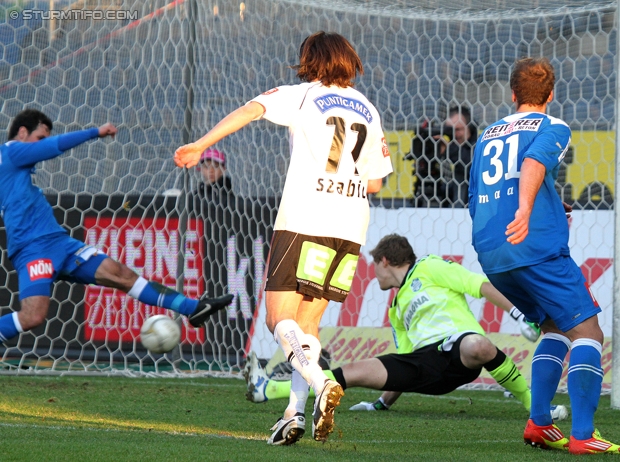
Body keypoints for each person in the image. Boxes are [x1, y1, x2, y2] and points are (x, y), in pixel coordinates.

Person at [174, 31, 393, 445]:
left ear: (311, 60)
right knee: (308, 324)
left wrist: (201, 145)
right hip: (350, 224)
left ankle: (321, 382)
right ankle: (292, 414)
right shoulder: (367, 107)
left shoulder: (303, 94)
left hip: (306, 217)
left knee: (279, 319)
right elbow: (377, 181)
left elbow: (250, 110)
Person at [468, 57, 620, 455]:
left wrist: (546, 207)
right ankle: (583, 434)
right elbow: (532, 163)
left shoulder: (488, 133)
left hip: (491, 250)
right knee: (588, 332)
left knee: (555, 328)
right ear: (552, 94)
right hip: (535, 247)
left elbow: (476, 196)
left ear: (512, 94)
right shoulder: (553, 125)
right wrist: (526, 211)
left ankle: (539, 423)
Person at [245, 234, 570, 421]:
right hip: (424, 368)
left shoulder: (430, 267)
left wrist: (517, 314)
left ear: (385, 261)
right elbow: (404, 358)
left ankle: (537, 408)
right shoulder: (398, 307)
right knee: (353, 371)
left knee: (479, 345)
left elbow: (478, 285)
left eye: (375, 267)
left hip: (458, 352)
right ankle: (268, 390)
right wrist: (382, 403)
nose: (374, 276)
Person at [0, 109, 234, 349]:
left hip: (60, 244)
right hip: (34, 249)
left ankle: (193, 308)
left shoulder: (14, 169)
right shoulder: (10, 151)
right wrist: (96, 132)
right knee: (32, 316)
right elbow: (53, 147)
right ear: (22, 132)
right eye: (40, 137)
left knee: (121, 274)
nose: (43, 143)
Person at [408, 106, 477, 208]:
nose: (454, 134)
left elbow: (472, 166)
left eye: (458, 129)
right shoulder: (441, 146)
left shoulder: (480, 145)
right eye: (450, 130)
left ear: (469, 127)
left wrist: (449, 149)